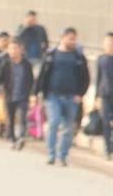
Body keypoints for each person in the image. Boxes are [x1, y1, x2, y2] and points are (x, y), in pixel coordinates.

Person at [34, 28, 90, 166]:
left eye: (74, 39)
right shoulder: (51, 55)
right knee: (53, 122)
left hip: (71, 97)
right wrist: (36, 92)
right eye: (70, 38)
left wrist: (80, 94)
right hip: (53, 95)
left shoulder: (78, 57)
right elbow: (42, 74)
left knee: (68, 127)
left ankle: (62, 156)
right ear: (63, 38)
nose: (72, 41)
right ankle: (51, 154)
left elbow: (85, 78)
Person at [0, 41, 35, 150]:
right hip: (9, 95)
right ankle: (12, 139)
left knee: (23, 117)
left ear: (20, 50)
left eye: (15, 48)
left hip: (23, 95)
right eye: (10, 49)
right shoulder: (6, 63)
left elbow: (31, 80)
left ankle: (21, 137)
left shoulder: (26, 64)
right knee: (10, 118)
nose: (13, 51)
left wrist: (32, 93)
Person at [95, 33, 113, 160]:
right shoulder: (101, 59)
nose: (110, 44)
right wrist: (96, 97)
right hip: (105, 95)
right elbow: (98, 78)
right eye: (107, 42)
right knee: (105, 123)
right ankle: (108, 148)